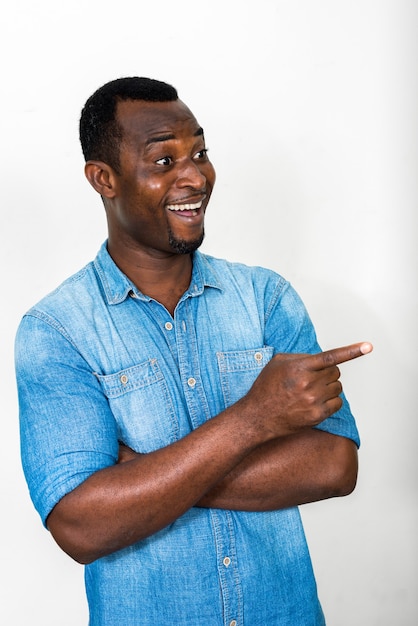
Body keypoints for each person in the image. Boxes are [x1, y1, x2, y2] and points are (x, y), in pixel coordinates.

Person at [15, 77, 372, 625]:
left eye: (200, 153)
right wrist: (256, 419)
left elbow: (334, 466)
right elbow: (82, 525)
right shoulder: (55, 331)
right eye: (164, 161)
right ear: (103, 179)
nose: (195, 177)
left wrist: (141, 481)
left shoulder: (265, 298)